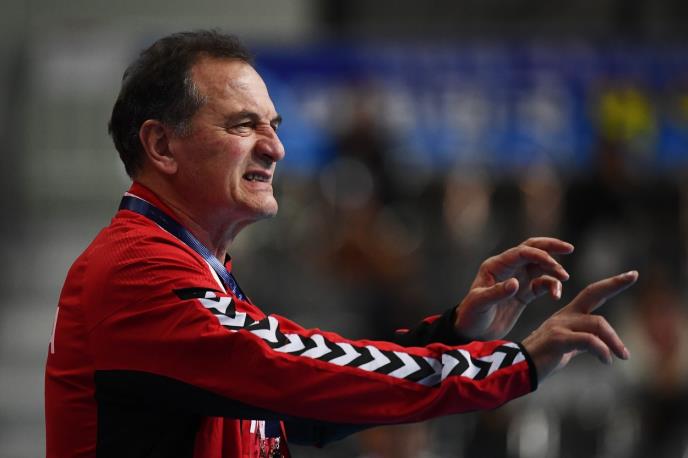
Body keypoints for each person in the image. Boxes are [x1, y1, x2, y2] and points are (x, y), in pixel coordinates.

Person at [44, 30, 638, 458]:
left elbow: (303, 406)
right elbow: (306, 374)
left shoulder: (194, 266)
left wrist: (455, 331)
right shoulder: (139, 271)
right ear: (161, 146)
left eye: (274, 126)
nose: (275, 148)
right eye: (243, 125)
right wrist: (513, 364)